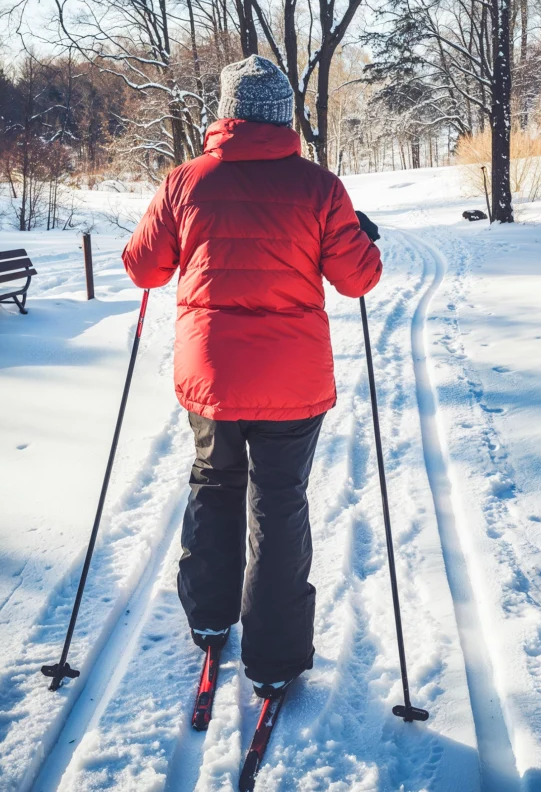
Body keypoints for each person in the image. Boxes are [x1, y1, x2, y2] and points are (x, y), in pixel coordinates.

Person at [122, 54, 382, 699]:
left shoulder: (185, 181)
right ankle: (275, 656)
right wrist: (362, 238)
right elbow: (358, 279)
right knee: (280, 501)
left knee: (213, 484)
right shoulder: (321, 188)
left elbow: (144, 269)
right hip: (292, 382)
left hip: (211, 373)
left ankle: (210, 619)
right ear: (283, 115)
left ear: (227, 113)